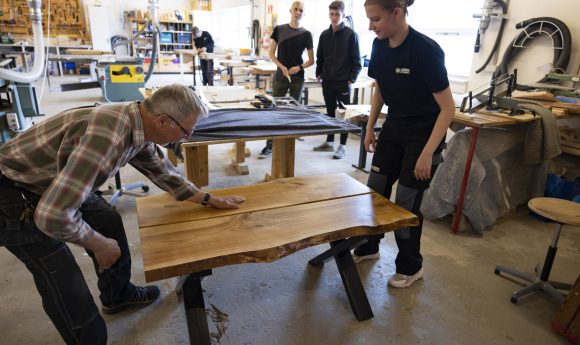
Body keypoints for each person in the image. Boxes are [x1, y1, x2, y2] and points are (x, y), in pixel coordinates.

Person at [0, 84, 244, 344]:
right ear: (162, 120)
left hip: (51, 181)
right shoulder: (108, 138)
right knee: (62, 277)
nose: (185, 138)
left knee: (107, 219)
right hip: (13, 193)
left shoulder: (137, 122)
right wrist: (98, 244)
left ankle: (118, 295)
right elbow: (52, 216)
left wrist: (207, 198)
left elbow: (164, 173)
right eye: (186, 131)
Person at [354, 0, 455, 288]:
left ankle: (411, 267)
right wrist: (371, 127)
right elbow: (380, 89)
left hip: (425, 134)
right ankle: (368, 246)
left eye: (376, 19)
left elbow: (448, 110)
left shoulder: (426, 51)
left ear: (396, 13)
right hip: (395, 127)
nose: (371, 26)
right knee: (374, 190)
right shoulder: (379, 45)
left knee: (406, 204)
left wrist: (427, 153)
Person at [258, 1, 314, 159]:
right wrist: (281, 67)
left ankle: (288, 146)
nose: (298, 12)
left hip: (297, 77)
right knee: (275, 109)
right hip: (281, 75)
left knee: (293, 111)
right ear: (291, 10)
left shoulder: (306, 34)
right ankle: (270, 145)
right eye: (296, 9)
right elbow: (271, 54)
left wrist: (300, 67)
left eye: (301, 10)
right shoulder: (279, 29)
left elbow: (311, 60)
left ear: (304, 13)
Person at [313, 0, 361, 160]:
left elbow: (357, 61)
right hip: (327, 80)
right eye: (332, 14)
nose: (334, 17)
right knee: (329, 112)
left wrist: (351, 79)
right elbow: (320, 57)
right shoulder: (324, 35)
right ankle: (330, 142)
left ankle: (343, 146)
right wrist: (319, 73)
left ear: (343, 15)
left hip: (343, 81)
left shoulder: (351, 35)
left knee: (343, 114)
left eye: (337, 14)